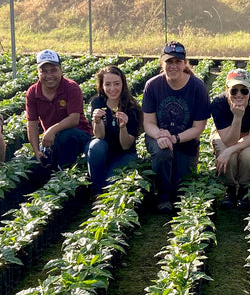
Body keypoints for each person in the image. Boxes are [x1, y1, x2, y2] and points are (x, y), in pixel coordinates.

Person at [142, 41, 209, 213]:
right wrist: (160, 136)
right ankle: (162, 196)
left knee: (181, 188)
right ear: (161, 63)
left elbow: (198, 127)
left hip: (185, 140)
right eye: (169, 61)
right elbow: (148, 122)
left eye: (178, 61)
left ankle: (170, 189)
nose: (173, 66)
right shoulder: (153, 85)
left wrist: (174, 138)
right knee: (163, 153)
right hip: (158, 137)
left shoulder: (197, 87)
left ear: (185, 63)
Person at [210, 69, 250, 210]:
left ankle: (244, 188)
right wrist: (237, 117)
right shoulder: (218, 103)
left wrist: (231, 150)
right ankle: (229, 188)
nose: (239, 95)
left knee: (248, 155)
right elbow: (228, 141)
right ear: (227, 89)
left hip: (249, 134)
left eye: (244, 91)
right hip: (227, 134)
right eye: (234, 91)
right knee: (226, 151)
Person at [26, 49, 92, 170]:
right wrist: (36, 151)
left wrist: (51, 130)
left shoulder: (71, 87)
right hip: (53, 141)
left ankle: (66, 172)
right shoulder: (33, 92)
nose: (49, 75)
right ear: (38, 73)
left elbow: (74, 119)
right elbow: (32, 123)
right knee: (33, 167)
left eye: (53, 70)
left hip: (78, 135)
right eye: (44, 71)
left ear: (61, 70)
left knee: (65, 136)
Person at [87, 65, 142, 195]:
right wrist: (97, 121)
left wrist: (123, 127)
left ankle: (104, 182)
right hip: (104, 151)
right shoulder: (97, 103)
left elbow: (126, 145)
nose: (112, 89)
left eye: (116, 84)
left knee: (111, 183)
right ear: (102, 86)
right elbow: (99, 136)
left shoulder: (132, 108)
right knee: (95, 146)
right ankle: (96, 189)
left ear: (123, 84)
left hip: (125, 154)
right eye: (108, 84)